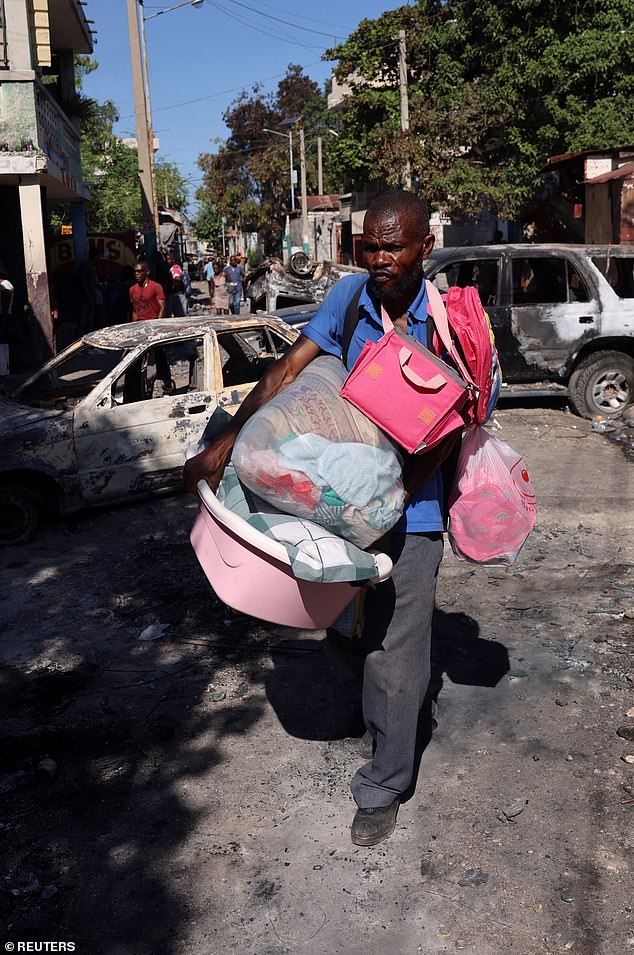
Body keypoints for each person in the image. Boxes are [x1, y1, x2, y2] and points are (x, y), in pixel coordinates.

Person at [184, 190, 459, 848]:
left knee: (395, 656)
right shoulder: (349, 298)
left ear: (425, 246)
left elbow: (451, 432)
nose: (379, 257)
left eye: (393, 245)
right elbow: (285, 373)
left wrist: (386, 505)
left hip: (410, 515)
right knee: (340, 623)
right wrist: (228, 442)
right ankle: (369, 708)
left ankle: (386, 781)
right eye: (370, 244)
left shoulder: (451, 322)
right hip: (332, 499)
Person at [166, 250, 188, 317]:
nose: (167, 261)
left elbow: (178, 279)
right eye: (167, 259)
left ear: (173, 260)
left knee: (179, 316)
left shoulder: (174, 269)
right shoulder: (177, 267)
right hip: (180, 294)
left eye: (169, 259)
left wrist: (174, 290)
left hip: (178, 295)